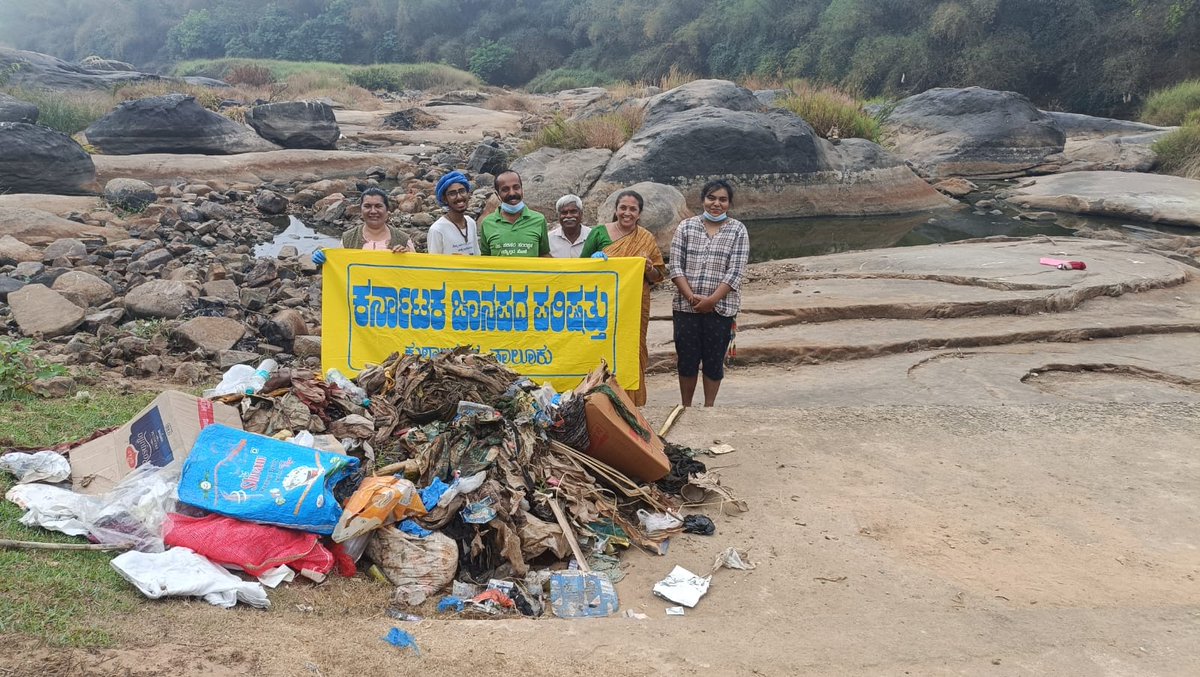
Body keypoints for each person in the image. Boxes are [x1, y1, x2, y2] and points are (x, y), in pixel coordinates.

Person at [580, 189, 666, 407]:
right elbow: (580, 269)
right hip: (603, 307)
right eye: (623, 208)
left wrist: (647, 268)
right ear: (616, 210)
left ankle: (631, 403)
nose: (627, 213)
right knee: (601, 349)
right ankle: (599, 400)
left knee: (632, 350)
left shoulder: (645, 238)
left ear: (639, 214)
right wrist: (594, 261)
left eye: (632, 209)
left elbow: (658, 276)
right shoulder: (599, 233)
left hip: (634, 306)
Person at [667, 179, 749, 407]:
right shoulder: (686, 227)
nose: (716, 204)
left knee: (713, 361)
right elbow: (675, 266)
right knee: (687, 360)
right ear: (703, 200)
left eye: (722, 199)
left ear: (729, 204)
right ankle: (686, 406)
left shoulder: (738, 230)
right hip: (686, 308)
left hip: (720, 309)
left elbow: (735, 271)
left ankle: (709, 408)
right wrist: (692, 298)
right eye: (711, 198)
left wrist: (712, 300)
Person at [311, 187, 415, 264]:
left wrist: (406, 257)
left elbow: (416, 273)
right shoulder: (348, 239)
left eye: (378, 206)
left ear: (387, 210)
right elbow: (340, 267)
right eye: (367, 206)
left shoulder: (403, 240)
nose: (373, 211)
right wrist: (326, 260)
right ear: (361, 210)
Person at [478, 170, 550, 257]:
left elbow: (544, 255)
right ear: (497, 195)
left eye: (516, 187)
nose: (512, 193)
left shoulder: (539, 220)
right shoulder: (487, 223)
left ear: (522, 190)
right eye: (505, 189)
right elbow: (485, 259)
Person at [427, 171, 480, 256]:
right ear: (444, 199)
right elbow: (434, 264)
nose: (459, 197)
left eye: (462, 191)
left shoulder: (471, 223)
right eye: (452, 193)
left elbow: (477, 256)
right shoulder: (437, 230)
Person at [548, 194, 591, 258]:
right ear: (558, 216)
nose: (569, 216)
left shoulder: (592, 235)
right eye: (564, 212)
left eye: (573, 212)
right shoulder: (549, 239)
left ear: (581, 214)